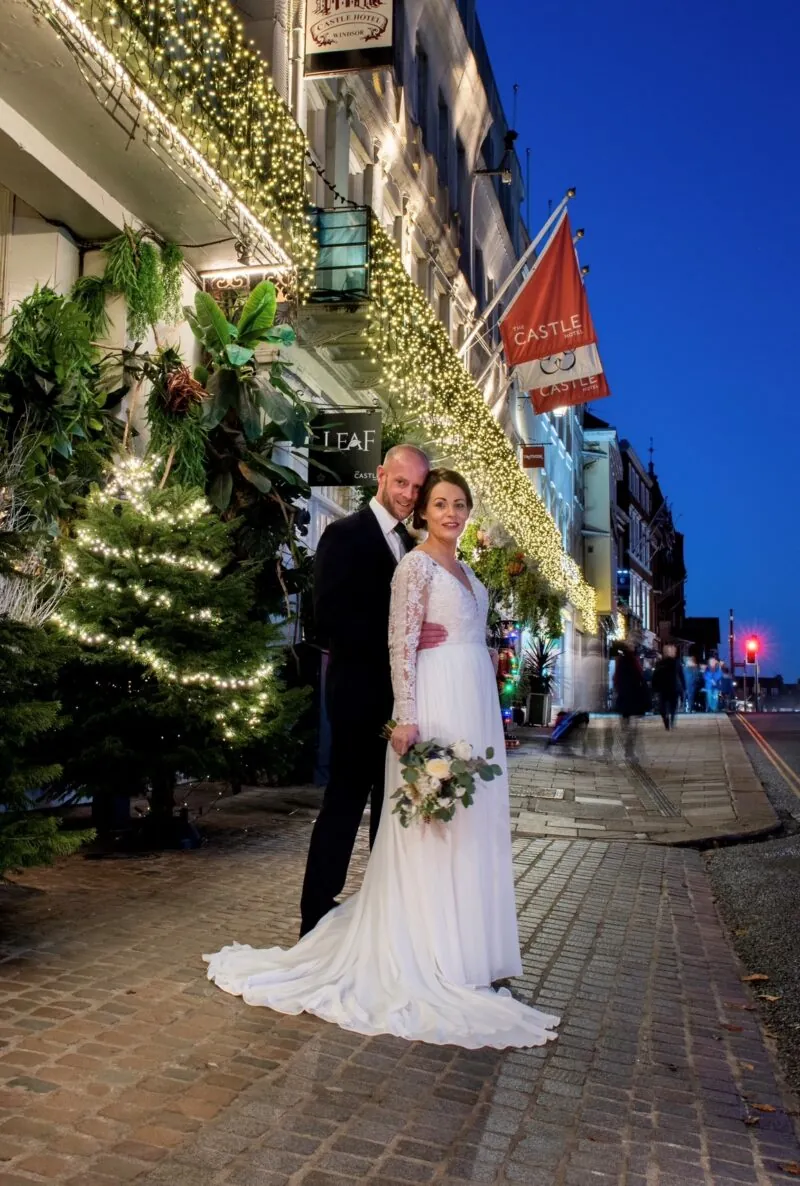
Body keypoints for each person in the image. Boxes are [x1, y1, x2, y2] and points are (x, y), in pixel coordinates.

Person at [204, 469, 560, 1049]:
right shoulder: (357, 539)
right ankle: (327, 922)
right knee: (359, 813)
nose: (439, 507)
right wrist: (408, 700)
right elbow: (357, 626)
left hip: (461, 701)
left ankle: (464, 942)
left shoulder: (463, 569)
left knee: (439, 821)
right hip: (382, 700)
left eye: (455, 501)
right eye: (428, 496)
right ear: (393, 485)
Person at [298, 444, 440, 938]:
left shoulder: (413, 545)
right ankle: (314, 915)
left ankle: (381, 917)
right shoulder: (344, 535)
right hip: (358, 698)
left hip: (400, 704)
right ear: (381, 476)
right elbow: (330, 618)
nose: (408, 495)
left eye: (418, 488)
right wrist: (403, 634)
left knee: (390, 809)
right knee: (344, 803)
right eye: (401, 483)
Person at [613, 643, 650, 758]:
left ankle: (627, 744)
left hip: (623, 698)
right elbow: (641, 680)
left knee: (625, 724)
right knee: (633, 726)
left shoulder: (619, 664)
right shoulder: (635, 664)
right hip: (633, 699)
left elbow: (615, 680)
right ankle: (630, 748)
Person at [652, 644, 685, 730]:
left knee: (672, 706)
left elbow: (681, 676)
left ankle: (672, 721)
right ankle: (667, 720)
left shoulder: (676, 663)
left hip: (673, 687)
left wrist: (683, 688)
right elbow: (655, 676)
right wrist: (654, 687)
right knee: (663, 707)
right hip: (665, 688)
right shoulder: (660, 663)